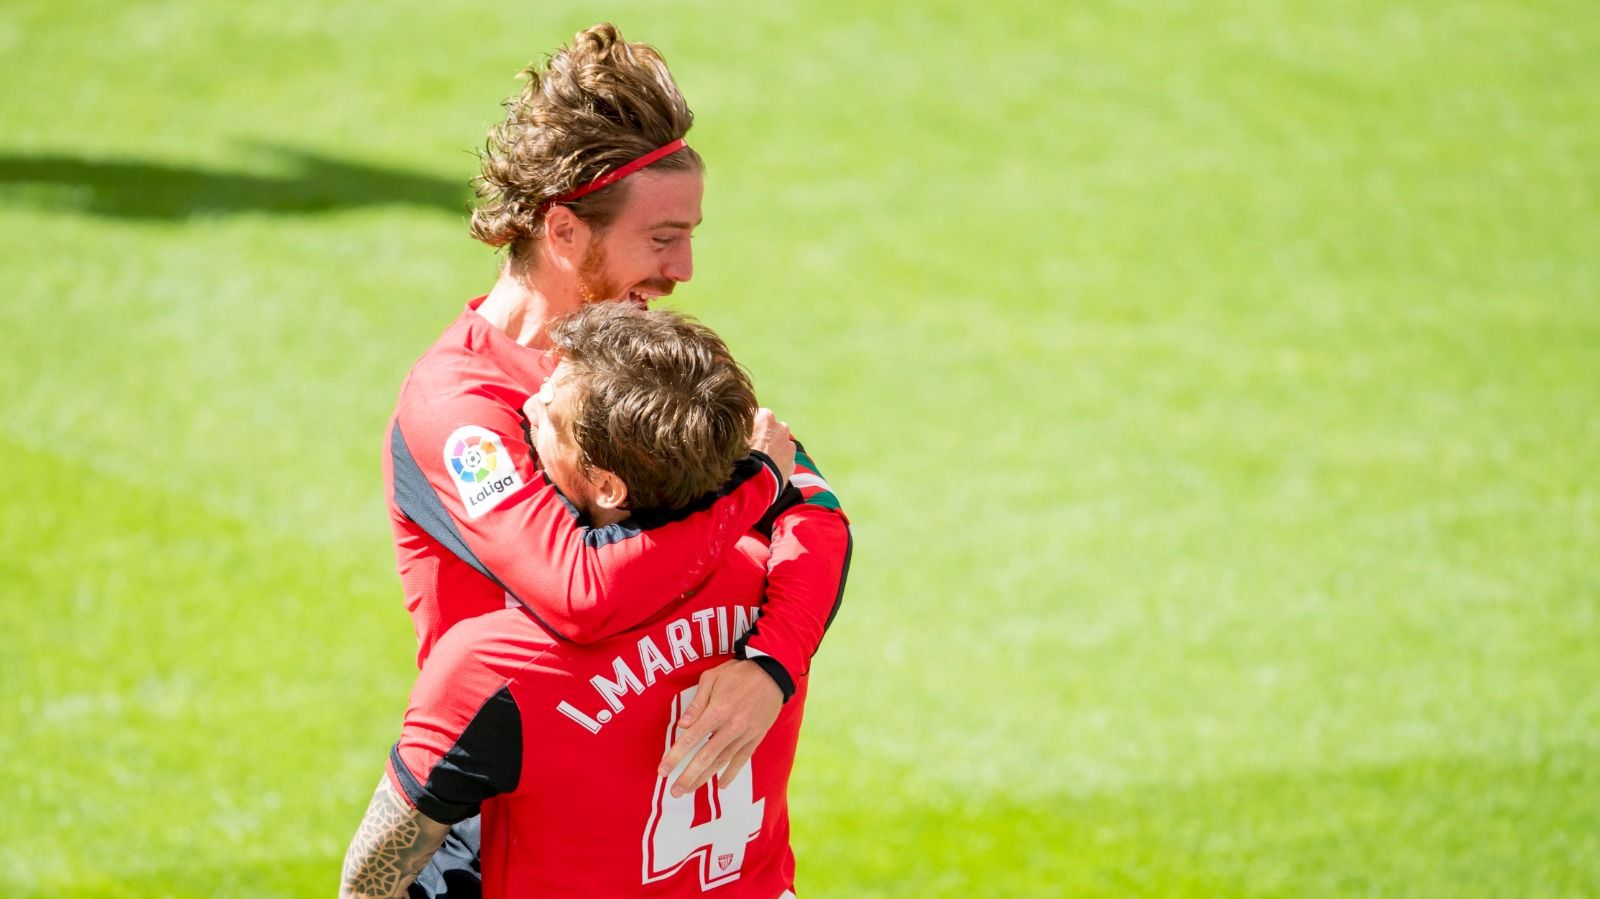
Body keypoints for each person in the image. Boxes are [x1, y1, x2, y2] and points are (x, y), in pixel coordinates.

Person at [381, 22, 851, 802]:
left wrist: (773, 663)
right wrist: (757, 487)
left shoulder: (647, 360)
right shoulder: (460, 404)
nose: (683, 269)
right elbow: (580, 593)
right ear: (564, 229)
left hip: (652, 829)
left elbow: (817, 517)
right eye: (663, 237)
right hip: (504, 827)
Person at [344, 303, 813, 898]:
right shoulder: (776, 584)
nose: (528, 408)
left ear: (607, 485)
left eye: (549, 410)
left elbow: (370, 877)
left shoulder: (496, 666)